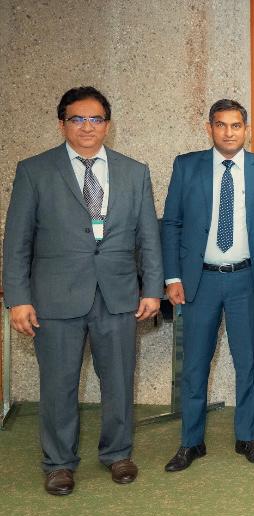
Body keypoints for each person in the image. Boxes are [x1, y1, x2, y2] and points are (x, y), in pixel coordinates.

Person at [2, 86, 162, 495]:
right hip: (54, 298)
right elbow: (17, 241)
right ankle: (58, 463)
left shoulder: (133, 171)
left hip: (118, 294)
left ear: (107, 125)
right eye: (77, 119)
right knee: (58, 384)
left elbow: (148, 237)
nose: (87, 126)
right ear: (62, 124)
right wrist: (17, 298)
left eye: (95, 119)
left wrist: (152, 289)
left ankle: (118, 454)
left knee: (120, 381)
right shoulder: (34, 170)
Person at [159, 99, 254, 472]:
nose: (229, 132)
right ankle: (191, 442)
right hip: (200, 281)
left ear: (246, 129)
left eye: (236, 125)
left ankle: (247, 437)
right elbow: (172, 223)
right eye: (221, 125)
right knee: (194, 366)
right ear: (209, 128)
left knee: (248, 364)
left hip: (247, 280)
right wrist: (172, 276)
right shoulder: (187, 165)